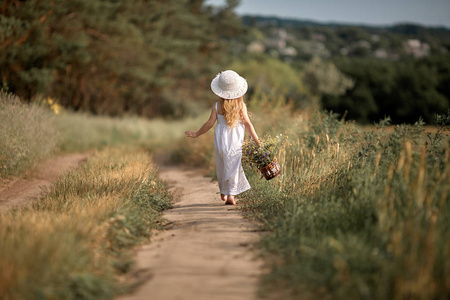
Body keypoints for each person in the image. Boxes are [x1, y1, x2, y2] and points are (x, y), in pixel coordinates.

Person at [185, 70, 260, 205]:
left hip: (220, 139)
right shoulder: (240, 106)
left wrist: (196, 133)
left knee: (222, 164)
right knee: (234, 165)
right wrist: (256, 140)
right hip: (236, 139)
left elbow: (209, 124)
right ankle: (231, 194)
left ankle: (223, 191)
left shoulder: (217, 106)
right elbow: (248, 124)